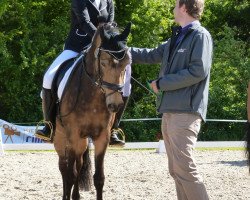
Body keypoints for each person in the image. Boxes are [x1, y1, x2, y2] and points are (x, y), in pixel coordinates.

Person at [130, 0, 213, 199]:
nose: (173, 9)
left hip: (186, 112)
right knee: (176, 171)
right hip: (169, 112)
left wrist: (162, 83)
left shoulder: (200, 36)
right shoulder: (177, 37)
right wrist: (119, 49)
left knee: (185, 169)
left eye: (176, 5)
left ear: (184, 8)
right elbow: (150, 54)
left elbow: (198, 71)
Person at [36, 0, 128, 146]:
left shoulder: (108, 1)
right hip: (76, 46)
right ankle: (49, 124)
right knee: (48, 77)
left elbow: (110, 23)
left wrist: (111, 39)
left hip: (101, 49)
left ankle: (114, 129)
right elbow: (84, 22)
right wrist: (101, 38)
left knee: (125, 79)